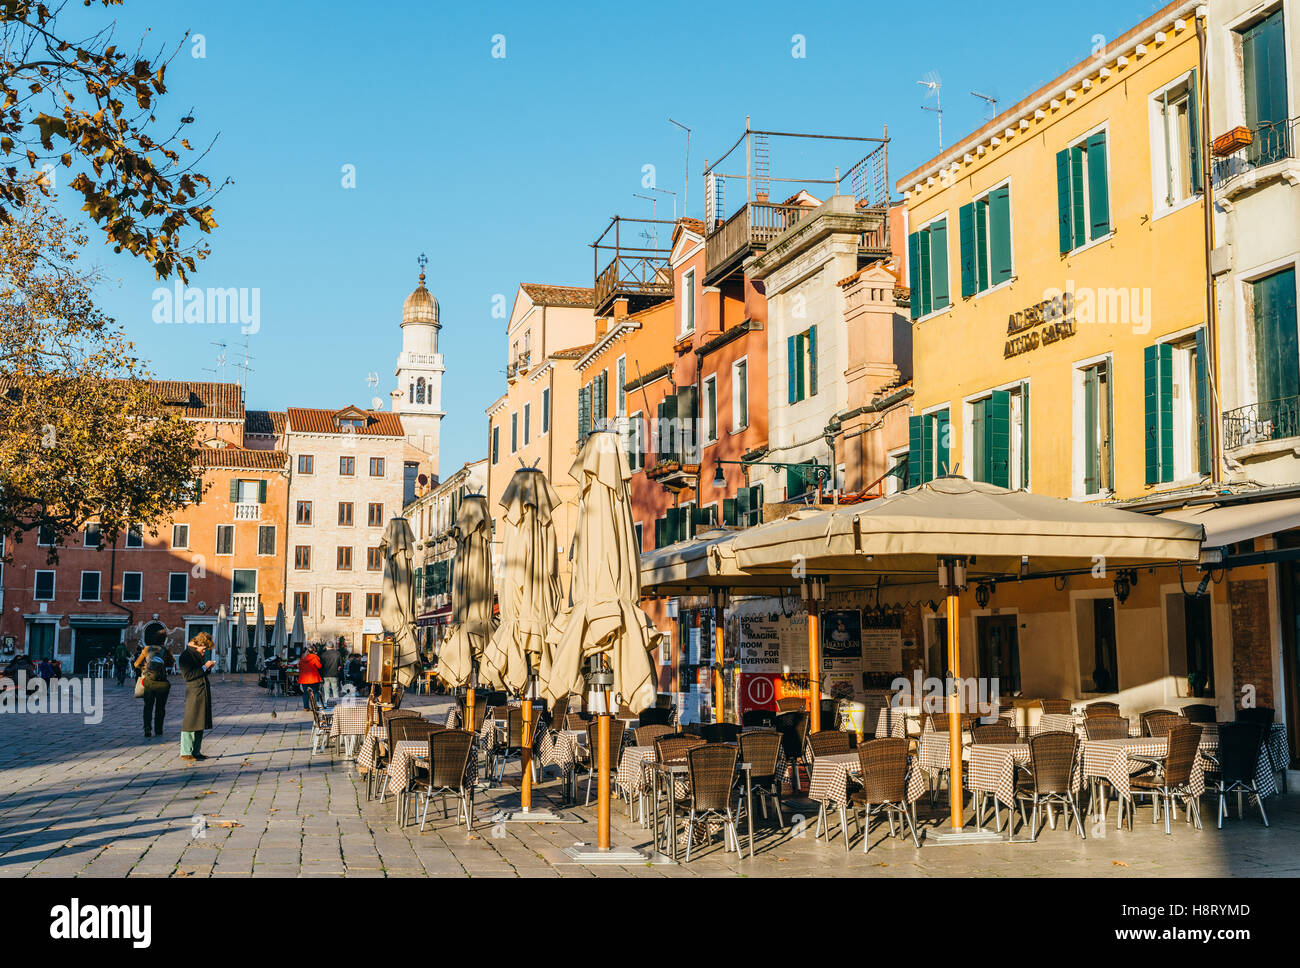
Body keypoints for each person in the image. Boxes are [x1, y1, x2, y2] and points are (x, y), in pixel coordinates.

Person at [179, 632, 215, 763]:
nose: (204, 652)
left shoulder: (196, 654)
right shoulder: (186, 656)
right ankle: (186, 751)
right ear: (198, 644)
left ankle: (196, 751)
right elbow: (188, 676)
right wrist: (205, 666)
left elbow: (200, 671)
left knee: (200, 721)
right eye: (204, 649)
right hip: (194, 691)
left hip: (202, 690)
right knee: (191, 720)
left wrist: (208, 668)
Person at [134, 646, 170, 738]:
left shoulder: (146, 649)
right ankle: (158, 730)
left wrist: (145, 669)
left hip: (149, 682)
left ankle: (147, 729)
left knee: (148, 707)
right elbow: (171, 662)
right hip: (162, 683)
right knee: (160, 708)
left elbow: (136, 664)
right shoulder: (165, 650)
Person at [297, 643, 323, 710]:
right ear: (314, 651)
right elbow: (319, 666)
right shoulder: (315, 657)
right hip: (314, 678)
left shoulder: (302, 659)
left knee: (305, 693)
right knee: (316, 692)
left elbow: (300, 668)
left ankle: (306, 707)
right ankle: (315, 706)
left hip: (304, 679)